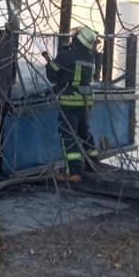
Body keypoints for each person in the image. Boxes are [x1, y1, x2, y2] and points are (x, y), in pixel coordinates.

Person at [44, 26, 99, 182]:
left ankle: (73, 173)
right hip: (86, 102)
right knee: (84, 133)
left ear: (77, 39)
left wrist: (49, 63)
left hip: (69, 102)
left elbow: (53, 77)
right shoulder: (91, 57)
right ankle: (92, 164)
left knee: (68, 135)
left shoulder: (66, 56)